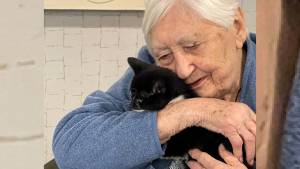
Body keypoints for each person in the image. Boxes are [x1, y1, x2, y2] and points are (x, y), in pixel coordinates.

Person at [52, 0, 256, 168]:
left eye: (192, 45)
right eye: (165, 55)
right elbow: (70, 149)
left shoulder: (282, 78)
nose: (183, 70)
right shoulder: (155, 71)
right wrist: (190, 112)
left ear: (236, 27)